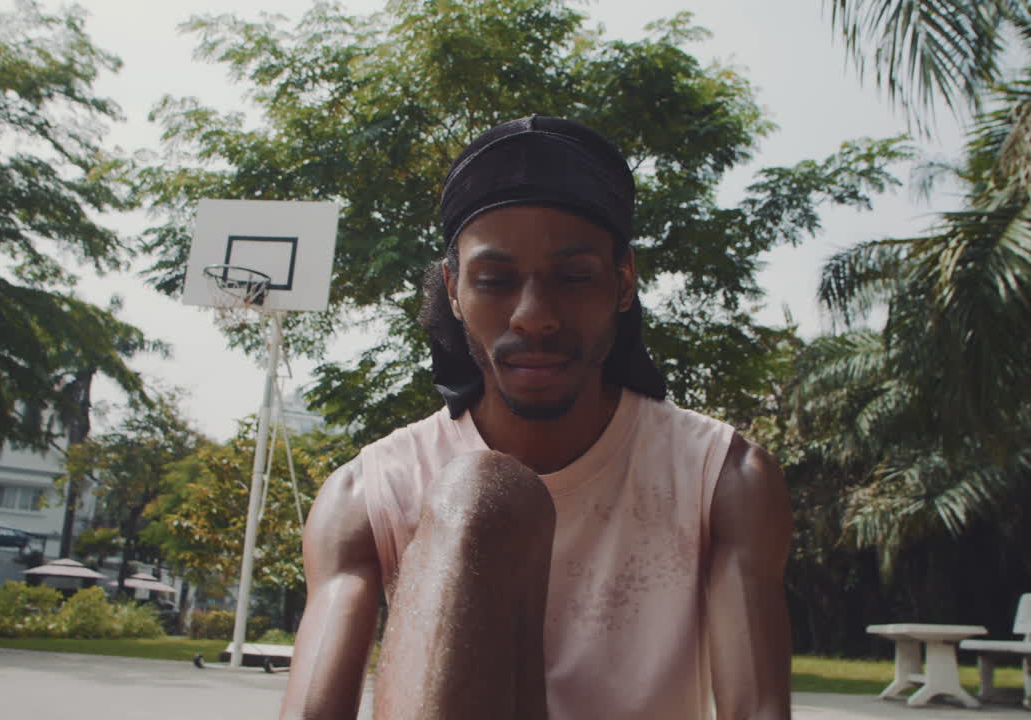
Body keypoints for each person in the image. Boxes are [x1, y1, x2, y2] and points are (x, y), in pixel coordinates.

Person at [280, 116, 792, 720]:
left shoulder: (723, 479)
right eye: (494, 281)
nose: (534, 316)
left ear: (624, 280)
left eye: (574, 278)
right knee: (479, 495)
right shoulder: (367, 494)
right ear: (452, 289)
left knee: (484, 493)